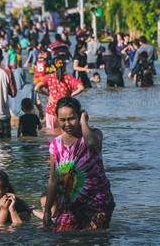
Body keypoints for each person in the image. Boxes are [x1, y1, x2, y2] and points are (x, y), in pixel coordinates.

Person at [43, 97, 115, 231]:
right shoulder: (55, 144)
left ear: (80, 115)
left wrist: (83, 121)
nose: (67, 124)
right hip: (68, 206)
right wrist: (47, 210)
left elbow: (92, 144)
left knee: (93, 240)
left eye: (71, 118)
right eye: (62, 120)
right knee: (61, 239)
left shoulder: (94, 134)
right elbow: (53, 179)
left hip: (96, 202)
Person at [35, 57, 85, 129]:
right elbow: (81, 88)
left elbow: (36, 88)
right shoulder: (69, 78)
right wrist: (70, 96)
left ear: (53, 67)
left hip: (51, 109)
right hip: (65, 110)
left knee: (51, 132)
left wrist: (48, 95)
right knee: (65, 132)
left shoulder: (49, 77)